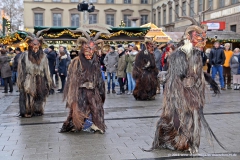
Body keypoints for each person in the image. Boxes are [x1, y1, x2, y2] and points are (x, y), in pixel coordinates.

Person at [149, 16, 223, 154]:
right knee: (179, 119)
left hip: (193, 93)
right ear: (189, 36)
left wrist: (207, 81)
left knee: (194, 118)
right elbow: (177, 75)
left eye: (203, 36)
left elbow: (196, 73)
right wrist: (183, 89)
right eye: (198, 36)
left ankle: (191, 143)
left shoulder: (196, 54)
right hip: (180, 95)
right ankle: (181, 142)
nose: (202, 40)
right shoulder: (179, 54)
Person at [60, 29, 105, 133]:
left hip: (93, 91)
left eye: (93, 48)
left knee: (95, 108)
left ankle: (96, 125)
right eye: (87, 48)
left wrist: (99, 90)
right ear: (82, 47)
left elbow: (99, 78)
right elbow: (72, 80)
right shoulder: (76, 62)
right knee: (78, 109)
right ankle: (74, 125)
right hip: (80, 92)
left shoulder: (96, 63)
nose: (90, 51)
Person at [17, 29, 52, 117]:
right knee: (28, 95)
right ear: (30, 44)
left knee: (39, 95)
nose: (35, 46)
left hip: (40, 78)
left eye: (37, 44)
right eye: (33, 44)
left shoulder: (44, 56)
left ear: (40, 44)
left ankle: (37, 110)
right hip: (28, 79)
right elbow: (22, 70)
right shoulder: (24, 55)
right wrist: (21, 81)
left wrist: (48, 82)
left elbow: (46, 70)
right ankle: (27, 111)